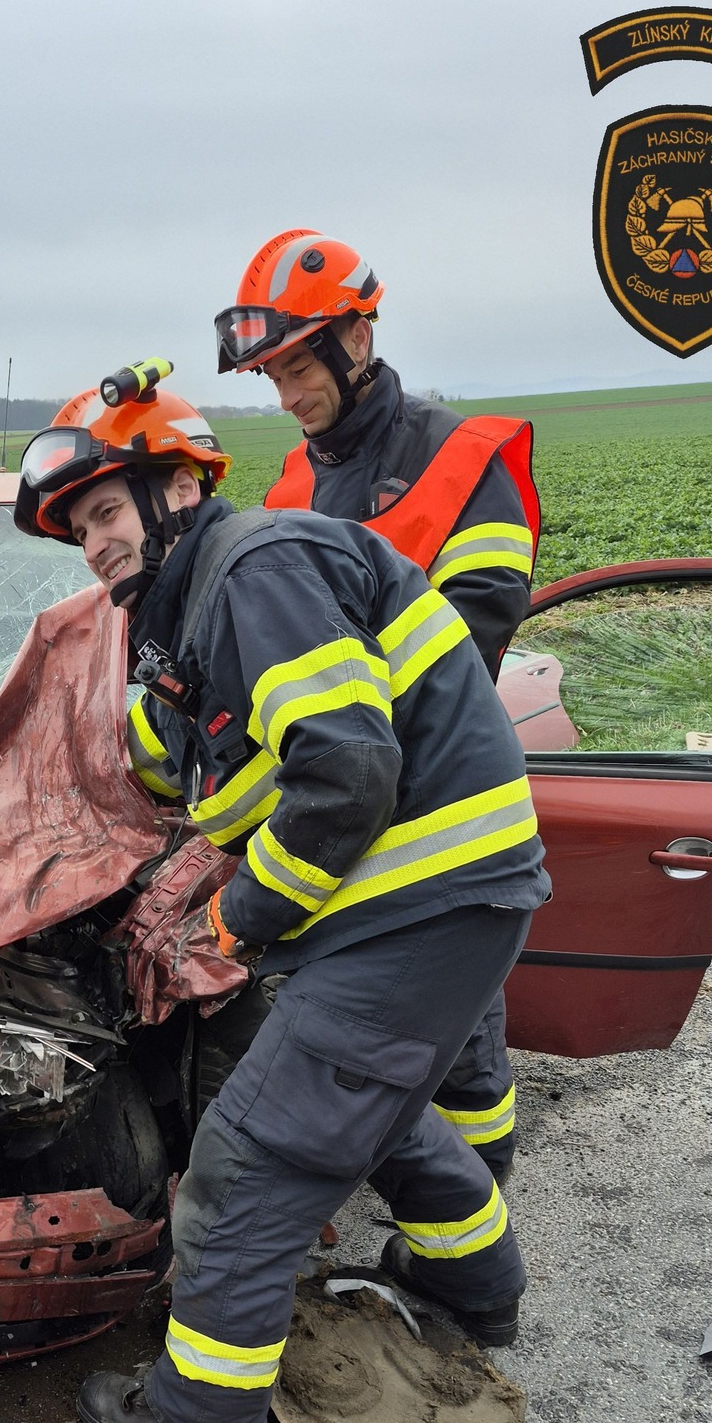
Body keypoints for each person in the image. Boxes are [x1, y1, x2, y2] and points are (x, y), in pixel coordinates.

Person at [14, 364, 550, 1423]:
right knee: (369, 1112)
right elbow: (185, 760)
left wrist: (236, 916)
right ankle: (471, 1284)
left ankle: (202, 1414)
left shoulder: (253, 570)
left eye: (105, 511)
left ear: (178, 488)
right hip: (432, 903)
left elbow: (346, 772)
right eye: (78, 531)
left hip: (417, 902)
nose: (94, 544)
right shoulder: (193, 616)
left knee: (251, 1158)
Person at [220, 230, 540, 1179]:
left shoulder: (463, 459)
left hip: (435, 799)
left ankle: (477, 1199)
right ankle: (399, 1173)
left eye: (296, 367)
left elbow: (477, 635)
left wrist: (341, 734)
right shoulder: (292, 483)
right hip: (344, 801)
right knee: (365, 1029)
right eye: (271, 376)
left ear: (356, 338)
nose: (285, 396)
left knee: (462, 1033)